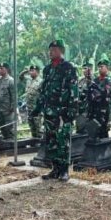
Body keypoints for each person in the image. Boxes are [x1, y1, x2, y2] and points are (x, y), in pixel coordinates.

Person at [32, 39, 78, 181]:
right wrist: (37, 108)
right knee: (51, 141)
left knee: (63, 141)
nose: (51, 52)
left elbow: (73, 90)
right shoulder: (47, 69)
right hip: (49, 112)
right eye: (50, 50)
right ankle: (55, 169)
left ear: (61, 51)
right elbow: (44, 90)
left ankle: (64, 171)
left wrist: (71, 110)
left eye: (54, 49)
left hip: (63, 112)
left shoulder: (68, 68)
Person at [87, 56, 111, 140]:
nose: (99, 68)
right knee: (93, 132)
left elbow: (106, 93)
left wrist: (96, 87)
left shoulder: (109, 80)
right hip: (94, 109)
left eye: (102, 67)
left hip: (103, 110)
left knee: (103, 132)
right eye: (99, 67)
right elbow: (90, 93)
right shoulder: (95, 80)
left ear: (107, 68)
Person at [19, 65, 43, 139]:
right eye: (30, 71)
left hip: (37, 108)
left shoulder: (41, 81)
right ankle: (34, 140)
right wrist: (25, 71)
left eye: (33, 71)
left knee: (38, 126)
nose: (30, 72)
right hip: (29, 107)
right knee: (31, 125)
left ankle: (40, 141)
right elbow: (20, 77)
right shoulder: (29, 80)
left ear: (37, 72)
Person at [0, 62, 16, 140]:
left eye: (2, 68)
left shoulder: (10, 80)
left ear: (6, 69)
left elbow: (14, 95)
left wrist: (13, 107)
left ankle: (11, 140)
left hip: (7, 108)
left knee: (9, 125)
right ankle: (5, 138)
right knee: (1, 124)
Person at [76, 60, 93, 134]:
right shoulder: (80, 81)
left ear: (91, 70)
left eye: (86, 68)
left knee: (88, 131)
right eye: (83, 68)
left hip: (89, 109)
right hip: (80, 108)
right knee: (80, 129)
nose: (84, 70)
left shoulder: (93, 80)